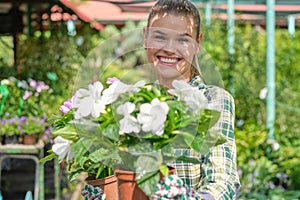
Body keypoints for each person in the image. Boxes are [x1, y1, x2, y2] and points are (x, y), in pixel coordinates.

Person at [143, 0, 240, 199]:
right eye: (160, 37)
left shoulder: (213, 100)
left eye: (182, 40)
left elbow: (223, 179)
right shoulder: (133, 103)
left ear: (197, 44)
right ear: (145, 38)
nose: (169, 49)